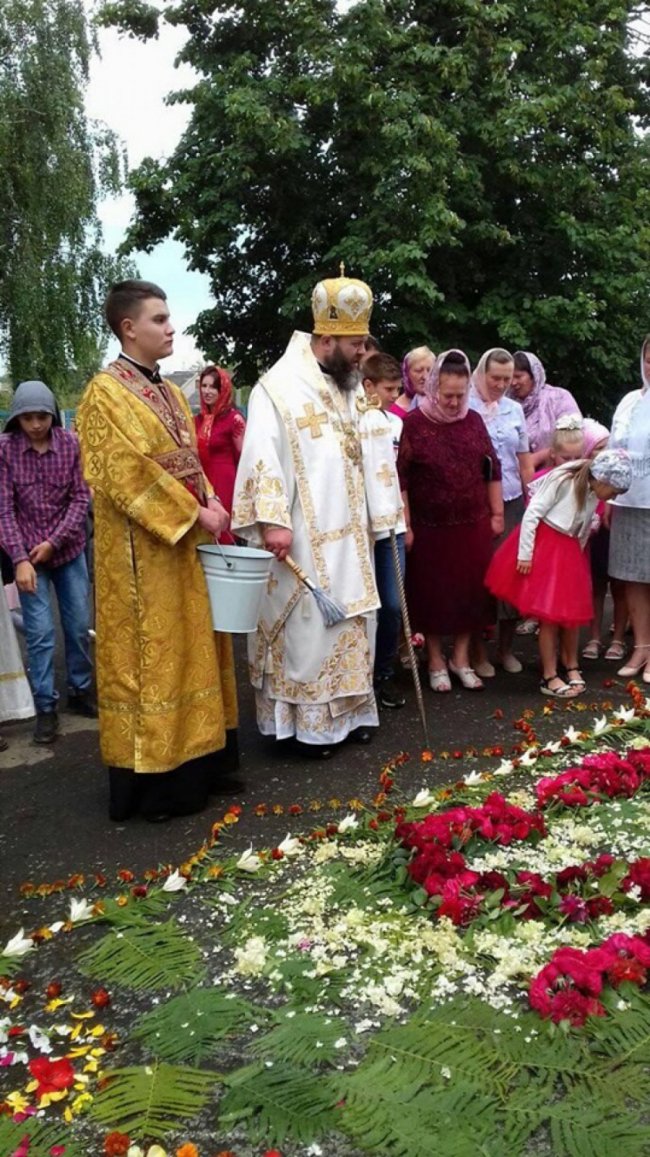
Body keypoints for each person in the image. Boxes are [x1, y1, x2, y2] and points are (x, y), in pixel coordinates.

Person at [76, 280, 239, 821]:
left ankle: (204, 768)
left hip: (187, 548)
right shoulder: (103, 393)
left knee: (196, 650)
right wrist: (196, 513)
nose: (172, 327)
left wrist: (213, 502)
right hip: (141, 557)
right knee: (155, 660)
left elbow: (191, 463)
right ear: (129, 328)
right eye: (160, 319)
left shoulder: (172, 391)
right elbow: (119, 472)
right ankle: (156, 788)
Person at [231, 268, 403, 758]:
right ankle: (304, 729)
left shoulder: (346, 385)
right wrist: (272, 521)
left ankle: (349, 717)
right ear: (326, 338)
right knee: (308, 630)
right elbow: (261, 456)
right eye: (355, 344)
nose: (363, 353)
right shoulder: (278, 389)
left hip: (349, 537)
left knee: (353, 624)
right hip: (301, 535)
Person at [397, 349, 503, 693]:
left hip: (472, 523)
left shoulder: (473, 420)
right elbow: (402, 480)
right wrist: (408, 524)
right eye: (448, 395)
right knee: (432, 593)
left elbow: (492, 467)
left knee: (470, 592)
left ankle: (460, 658)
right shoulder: (413, 424)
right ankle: (436, 660)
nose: (456, 403)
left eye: (461, 395)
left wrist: (497, 513)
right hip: (429, 527)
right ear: (432, 388)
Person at [486, 450, 632, 698]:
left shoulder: (593, 491)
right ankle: (549, 674)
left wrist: (580, 552)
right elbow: (533, 512)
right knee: (550, 618)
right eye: (614, 492)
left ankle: (571, 664)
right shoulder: (564, 479)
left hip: (571, 549)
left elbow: (584, 525)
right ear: (604, 480)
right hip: (548, 546)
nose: (613, 498)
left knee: (571, 615)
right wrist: (525, 554)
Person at [0, 381, 93, 744]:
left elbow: (80, 500)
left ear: (52, 415)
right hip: (26, 555)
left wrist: (54, 542)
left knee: (78, 623)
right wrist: (20, 558)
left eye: (41, 416)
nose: (36, 424)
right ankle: (45, 707)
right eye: (27, 418)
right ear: (17, 419)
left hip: (67, 549)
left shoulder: (70, 444)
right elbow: (4, 509)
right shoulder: (5, 450)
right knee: (39, 633)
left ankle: (80, 690)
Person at [469, 348, 532, 676]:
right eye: (495, 378)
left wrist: (532, 494)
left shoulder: (514, 410)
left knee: (511, 575)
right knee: (480, 576)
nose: (501, 384)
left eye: (507, 379)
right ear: (482, 372)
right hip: (475, 502)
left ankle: (505, 649)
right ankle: (478, 653)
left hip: (510, 502)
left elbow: (523, 458)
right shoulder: (465, 405)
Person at [361, 351, 406, 708]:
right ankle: (360, 679)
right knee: (365, 607)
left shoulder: (397, 424)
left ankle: (384, 674)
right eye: (389, 388)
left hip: (393, 524)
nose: (394, 395)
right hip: (360, 527)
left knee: (393, 605)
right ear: (368, 386)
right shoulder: (349, 422)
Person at [607, 337, 650, 682]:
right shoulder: (629, 402)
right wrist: (607, 499)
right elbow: (613, 452)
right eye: (648, 360)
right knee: (633, 577)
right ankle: (642, 648)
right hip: (629, 500)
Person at [580, 419, 627, 661]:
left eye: (607, 446)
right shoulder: (582, 477)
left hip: (615, 528)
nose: (603, 452)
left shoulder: (616, 471)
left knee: (620, 587)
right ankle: (594, 637)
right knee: (596, 587)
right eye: (598, 447)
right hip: (593, 536)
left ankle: (618, 639)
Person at [194, 365, 246, 540]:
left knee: (223, 533)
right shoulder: (196, 420)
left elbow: (244, 458)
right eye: (204, 386)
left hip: (225, 482)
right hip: (202, 482)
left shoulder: (234, 419)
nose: (207, 391)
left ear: (222, 389)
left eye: (213, 387)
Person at [510, 351, 581, 468]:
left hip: (557, 474)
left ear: (534, 376)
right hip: (516, 477)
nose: (513, 382)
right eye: (510, 377)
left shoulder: (558, 398)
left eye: (518, 376)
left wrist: (539, 457)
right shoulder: (505, 405)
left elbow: (574, 437)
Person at [390, 346, 435, 417]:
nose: (425, 377)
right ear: (406, 374)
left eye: (429, 370)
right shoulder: (394, 412)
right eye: (418, 371)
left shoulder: (442, 406)